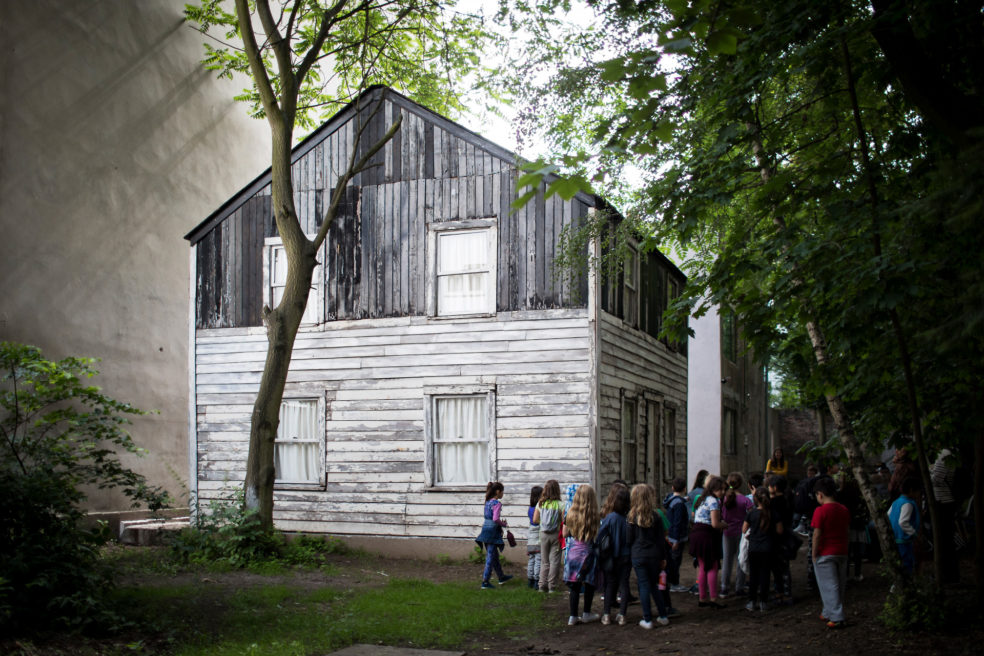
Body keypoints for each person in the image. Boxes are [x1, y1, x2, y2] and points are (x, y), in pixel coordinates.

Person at [627, 484, 670, 629]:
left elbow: (629, 539)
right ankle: (663, 615)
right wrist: (663, 558)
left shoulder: (632, 516)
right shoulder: (655, 515)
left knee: (643, 585)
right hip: (654, 555)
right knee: (654, 586)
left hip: (638, 555)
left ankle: (647, 618)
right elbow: (660, 540)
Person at [811, 476, 850, 629]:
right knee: (839, 584)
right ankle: (828, 611)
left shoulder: (820, 511)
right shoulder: (844, 509)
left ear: (820, 494)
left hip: (825, 553)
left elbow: (817, 534)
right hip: (842, 550)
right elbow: (847, 530)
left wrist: (814, 553)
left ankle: (837, 616)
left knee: (828, 585)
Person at [563, 484, 601, 625]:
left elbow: (565, 533)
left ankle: (573, 616)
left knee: (574, 586)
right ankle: (586, 613)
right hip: (589, 551)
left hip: (574, 551)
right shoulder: (594, 515)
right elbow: (597, 535)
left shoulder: (570, 514)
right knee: (589, 583)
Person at [689, 475, 727, 608]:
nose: (722, 492)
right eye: (719, 489)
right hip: (707, 535)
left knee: (702, 568)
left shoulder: (702, 499)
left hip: (696, 534)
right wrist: (725, 524)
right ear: (713, 489)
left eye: (723, 489)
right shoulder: (713, 501)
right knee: (712, 566)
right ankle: (713, 598)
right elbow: (715, 524)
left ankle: (702, 598)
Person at [742, 487, 783, 612]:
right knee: (765, 575)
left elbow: (744, 530)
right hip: (768, 548)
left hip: (754, 548)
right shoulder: (774, 513)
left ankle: (751, 601)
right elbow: (780, 531)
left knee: (753, 575)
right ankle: (763, 602)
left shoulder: (751, 514)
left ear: (755, 499)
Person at [599, 483, 631, 625]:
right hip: (626, 556)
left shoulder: (610, 518)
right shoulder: (629, 519)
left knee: (610, 584)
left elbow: (600, 535)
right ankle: (622, 615)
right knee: (624, 584)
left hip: (611, 556)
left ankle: (606, 615)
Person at [476, 481, 514, 589]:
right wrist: (503, 524)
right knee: (490, 557)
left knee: (494, 555)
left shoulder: (487, 502)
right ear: (498, 492)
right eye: (502, 492)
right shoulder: (497, 503)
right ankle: (485, 582)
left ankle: (501, 577)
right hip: (493, 532)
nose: (503, 494)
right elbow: (495, 518)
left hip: (485, 529)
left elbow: (489, 517)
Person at [720, 472, 753, 598]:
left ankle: (724, 587)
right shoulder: (745, 500)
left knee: (727, 560)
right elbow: (750, 515)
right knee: (741, 559)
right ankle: (739, 587)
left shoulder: (724, 499)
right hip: (742, 532)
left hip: (727, 531)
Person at [930, 448, 959, 583]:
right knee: (946, 539)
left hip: (943, 501)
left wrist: (928, 472)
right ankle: (948, 573)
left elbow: (937, 479)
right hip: (945, 500)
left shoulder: (944, 454)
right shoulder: (949, 454)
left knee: (945, 539)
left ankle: (947, 574)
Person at [767, 475, 794, 604]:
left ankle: (784, 593)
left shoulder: (774, 503)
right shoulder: (787, 499)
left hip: (777, 538)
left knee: (780, 568)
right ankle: (782, 592)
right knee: (782, 567)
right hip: (785, 537)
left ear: (775, 487)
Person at [534, 479, 564, 593]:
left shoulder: (541, 503)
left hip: (543, 534)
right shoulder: (561, 504)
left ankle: (541, 585)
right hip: (556, 535)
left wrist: (544, 523)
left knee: (544, 561)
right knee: (555, 561)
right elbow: (563, 520)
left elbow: (535, 519)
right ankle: (552, 586)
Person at [888, 477, 921, 578]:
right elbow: (903, 522)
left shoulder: (896, 502)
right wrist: (914, 533)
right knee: (906, 564)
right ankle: (905, 587)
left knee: (898, 565)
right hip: (904, 540)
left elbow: (888, 515)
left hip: (895, 538)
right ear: (911, 490)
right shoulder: (908, 503)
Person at [663, 478, 690, 593]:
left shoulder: (670, 500)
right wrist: (676, 540)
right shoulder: (679, 504)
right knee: (675, 560)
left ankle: (668, 582)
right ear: (684, 489)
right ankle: (674, 583)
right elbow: (677, 522)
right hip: (676, 536)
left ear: (672, 488)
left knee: (670, 560)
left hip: (669, 534)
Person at [527, 485, 543, 589]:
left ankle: (530, 579)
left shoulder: (530, 508)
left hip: (530, 536)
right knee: (538, 559)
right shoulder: (539, 508)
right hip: (538, 534)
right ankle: (537, 580)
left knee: (531, 559)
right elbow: (537, 521)